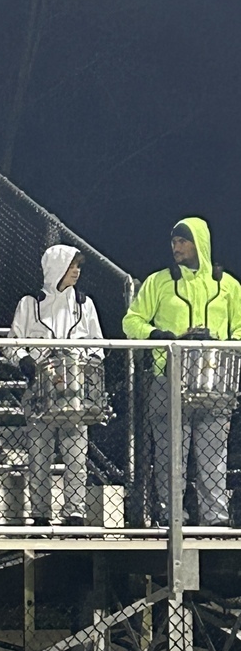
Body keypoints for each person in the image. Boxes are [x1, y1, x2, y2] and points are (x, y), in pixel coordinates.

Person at [123, 218, 241, 527]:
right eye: (174, 241)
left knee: (213, 454)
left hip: (214, 380)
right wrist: (159, 336)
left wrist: (223, 344)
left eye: (183, 241)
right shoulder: (159, 281)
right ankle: (172, 512)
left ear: (199, 243)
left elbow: (240, 327)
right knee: (169, 454)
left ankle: (216, 517)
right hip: (168, 378)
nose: (176, 247)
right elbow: (132, 321)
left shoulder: (226, 285)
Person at [9, 246, 104, 526]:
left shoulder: (85, 304)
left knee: (76, 455)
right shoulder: (29, 304)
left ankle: (74, 511)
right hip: (40, 391)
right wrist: (24, 359)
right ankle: (40, 513)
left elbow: (97, 345)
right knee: (39, 456)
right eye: (71, 265)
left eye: (78, 266)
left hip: (75, 394)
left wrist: (84, 364)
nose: (76, 271)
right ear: (56, 268)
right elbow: (13, 342)